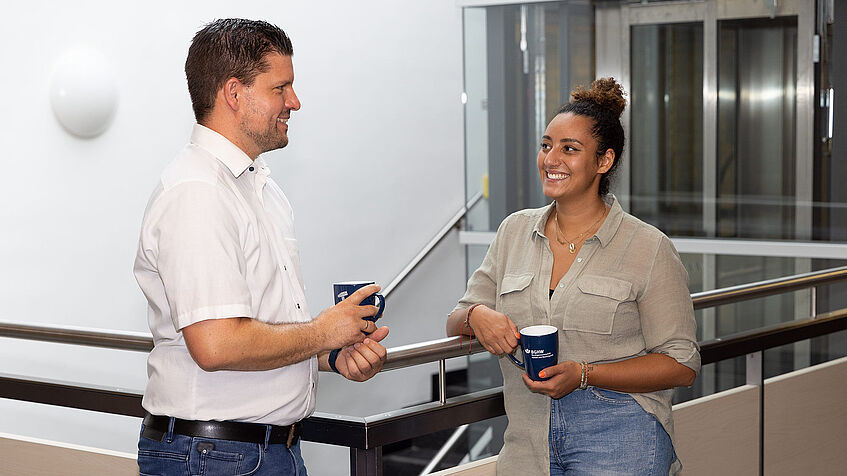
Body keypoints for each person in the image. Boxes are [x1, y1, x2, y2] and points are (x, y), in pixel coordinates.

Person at [133, 18, 389, 475]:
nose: (295, 102)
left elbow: (261, 328)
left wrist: (331, 355)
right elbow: (215, 344)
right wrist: (324, 332)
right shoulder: (197, 192)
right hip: (216, 458)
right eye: (281, 88)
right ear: (234, 93)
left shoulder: (261, 190)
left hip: (262, 453)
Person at [447, 78, 699, 476]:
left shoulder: (648, 248)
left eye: (570, 149)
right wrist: (478, 315)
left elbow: (681, 364)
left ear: (604, 161)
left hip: (621, 437)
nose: (551, 159)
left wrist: (584, 375)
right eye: (546, 145)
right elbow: (456, 320)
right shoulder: (514, 230)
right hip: (527, 440)